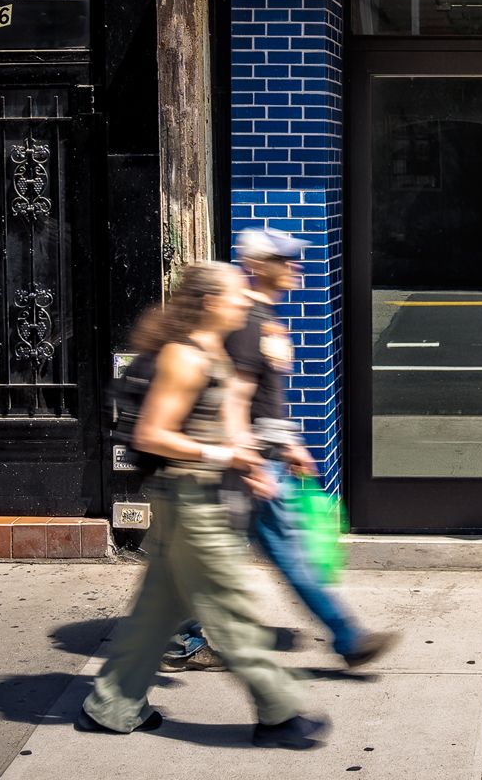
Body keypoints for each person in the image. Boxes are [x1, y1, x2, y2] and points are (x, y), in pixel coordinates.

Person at [82, 261, 328, 748]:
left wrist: (253, 464)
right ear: (212, 302)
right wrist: (226, 454)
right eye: (237, 294)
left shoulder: (212, 346)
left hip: (195, 498)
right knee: (228, 607)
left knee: (157, 611)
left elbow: (230, 411)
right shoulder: (184, 356)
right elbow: (155, 434)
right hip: (193, 502)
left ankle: (111, 706)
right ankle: (280, 712)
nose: (245, 300)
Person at [226, 230, 397, 673]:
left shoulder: (261, 316)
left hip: (264, 458)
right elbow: (237, 400)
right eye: (285, 259)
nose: (296, 266)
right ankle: (348, 637)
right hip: (255, 464)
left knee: (218, 557)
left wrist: (291, 443)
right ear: (260, 265)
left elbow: (264, 399)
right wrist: (253, 462)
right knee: (286, 556)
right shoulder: (247, 321)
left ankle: (182, 633)